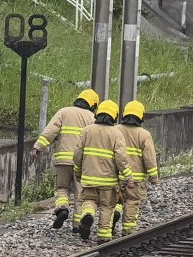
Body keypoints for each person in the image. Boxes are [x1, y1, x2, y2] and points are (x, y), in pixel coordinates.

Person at [30, 89, 99, 230]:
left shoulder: (64, 112)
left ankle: (62, 208)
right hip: (82, 163)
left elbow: (50, 131)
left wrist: (38, 147)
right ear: (93, 104)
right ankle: (78, 225)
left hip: (63, 161)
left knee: (62, 188)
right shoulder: (92, 118)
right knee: (81, 194)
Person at [72, 100, 135, 243]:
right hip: (108, 180)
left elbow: (77, 154)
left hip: (88, 177)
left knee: (89, 201)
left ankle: (88, 215)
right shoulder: (116, 134)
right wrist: (128, 178)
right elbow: (121, 159)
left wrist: (78, 171)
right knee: (107, 207)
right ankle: (104, 236)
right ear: (114, 116)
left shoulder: (87, 130)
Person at [116, 100, 159, 235]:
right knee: (132, 202)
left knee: (114, 200)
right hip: (136, 180)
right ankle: (128, 231)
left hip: (116, 176)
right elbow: (149, 158)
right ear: (141, 116)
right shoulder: (144, 134)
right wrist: (153, 177)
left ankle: (115, 213)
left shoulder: (115, 130)